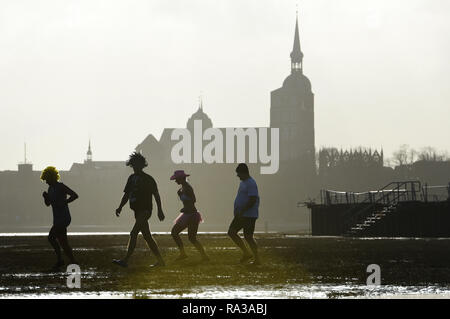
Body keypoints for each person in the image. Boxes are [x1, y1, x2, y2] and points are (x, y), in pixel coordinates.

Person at [113, 152, 165, 268]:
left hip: (145, 211)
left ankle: (125, 260)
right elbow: (126, 195)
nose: (135, 167)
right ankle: (161, 261)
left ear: (142, 165)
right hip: (137, 211)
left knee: (133, 232)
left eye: (137, 164)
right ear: (131, 165)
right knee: (147, 236)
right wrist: (120, 207)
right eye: (133, 164)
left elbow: (156, 195)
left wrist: (159, 210)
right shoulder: (131, 178)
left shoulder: (148, 179)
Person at [40, 166, 78, 271]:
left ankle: (61, 260)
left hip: (64, 217)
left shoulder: (61, 186)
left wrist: (65, 202)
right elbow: (48, 204)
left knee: (52, 238)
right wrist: (45, 198)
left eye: (46, 179)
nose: (46, 182)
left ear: (52, 177)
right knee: (63, 242)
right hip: (57, 218)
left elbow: (75, 195)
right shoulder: (50, 188)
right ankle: (72, 261)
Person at [170, 170, 209, 262]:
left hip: (191, 215)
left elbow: (193, 200)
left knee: (189, 237)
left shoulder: (187, 187)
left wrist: (184, 205)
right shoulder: (183, 188)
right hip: (187, 214)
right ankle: (186, 254)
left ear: (181, 179)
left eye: (176, 179)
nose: (175, 181)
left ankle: (202, 255)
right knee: (179, 234)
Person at [228, 163, 261, 265]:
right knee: (232, 232)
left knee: (248, 236)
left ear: (244, 173)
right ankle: (246, 253)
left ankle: (256, 258)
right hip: (242, 214)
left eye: (238, 173)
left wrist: (242, 210)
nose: (237, 176)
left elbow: (253, 199)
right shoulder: (243, 182)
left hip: (248, 215)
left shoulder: (251, 183)